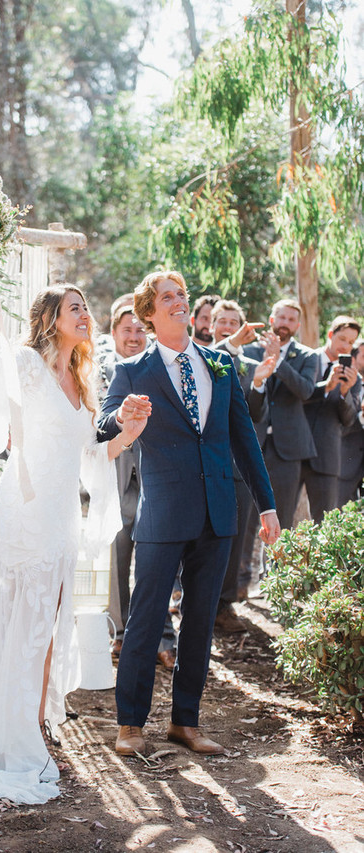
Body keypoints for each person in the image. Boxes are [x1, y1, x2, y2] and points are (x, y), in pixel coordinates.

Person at [0, 278, 150, 804]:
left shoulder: (83, 379)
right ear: (50, 317)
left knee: (52, 624)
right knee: (27, 623)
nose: (85, 314)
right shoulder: (25, 365)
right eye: (75, 307)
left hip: (63, 516)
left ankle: (36, 719)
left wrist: (127, 433)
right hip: (28, 514)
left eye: (86, 307)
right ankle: (14, 731)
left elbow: (91, 456)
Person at [99, 271, 280, 758]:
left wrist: (267, 504)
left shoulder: (222, 364)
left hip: (219, 512)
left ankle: (186, 723)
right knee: (145, 620)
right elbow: (101, 426)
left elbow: (243, 438)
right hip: (162, 513)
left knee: (199, 623)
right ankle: (131, 725)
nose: (179, 302)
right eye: (167, 297)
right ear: (149, 314)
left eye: (181, 294)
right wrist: (122, 416)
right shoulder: (132, 372)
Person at [101, 305, 177, 668]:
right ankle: (119, 633)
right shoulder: (97, 370)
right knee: (117, 556)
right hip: (113, 472)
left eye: (139, 331)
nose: (133, 337)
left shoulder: (157, 367)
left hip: (154, 474)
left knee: (157, 558)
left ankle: (164, 637)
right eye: (126, 330)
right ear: (114, 333)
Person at [210, 299, 276, 630]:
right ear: (210, 324)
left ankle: (224, 606)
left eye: (234, 321)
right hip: (202, 463)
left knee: (234, 539)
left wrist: (260, 383)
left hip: (237, 466)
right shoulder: (195, 355)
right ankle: (187, 598)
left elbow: (254, 415)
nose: (228, 325)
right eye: (222, 320)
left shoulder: (252, 364)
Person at [244, 298, 318, 530]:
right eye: (282, 317)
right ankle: (244, 568)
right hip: (252, 443)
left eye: (291, 319)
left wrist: (277, 362)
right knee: (245, 520)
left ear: (297, 326)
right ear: (272, 320)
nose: (285, 323)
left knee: (282, 519)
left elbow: (306, 391)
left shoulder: (308, 356)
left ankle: (275, 567)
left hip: (288, 449)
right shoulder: (248, 352)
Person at [300, 316, 361, 522]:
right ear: (330, 335)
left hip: (326, 455)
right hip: (291, 449)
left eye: (351, 343)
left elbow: (349, 420)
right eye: (342, 338)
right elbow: (293, 397)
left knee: (323, 522)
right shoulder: (305, 359)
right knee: (278, 518)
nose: (345, 346)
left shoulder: (355, 379)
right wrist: (325, 386)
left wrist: (344, 392)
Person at [339, 339, 364, 506]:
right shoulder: (341, 382)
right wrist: (361, 417)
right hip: (346, 464)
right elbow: (337, 424)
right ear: (353, 359)